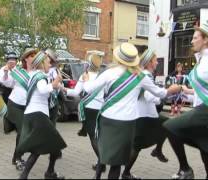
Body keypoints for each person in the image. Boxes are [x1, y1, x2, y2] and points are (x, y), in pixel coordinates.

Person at [82, 43, 181, 179]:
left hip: (107, 120)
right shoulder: (140, 76)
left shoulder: (109, 72)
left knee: (105, 154)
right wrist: (172, 90)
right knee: (116, 163)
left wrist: (86, 80)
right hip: (126, 124)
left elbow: (87, 89)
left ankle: (97, 176)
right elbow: (160, 93)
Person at [163, 23, 208, 179]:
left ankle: (185, 169)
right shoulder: (201, 60)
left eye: (195, 38)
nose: (192, 41)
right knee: (205, 156)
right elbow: (200, 92)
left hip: (205, 111)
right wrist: (184, 91)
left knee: (170, 126)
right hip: (200, 108)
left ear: (205, 40)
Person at [17, 51, 67, 179]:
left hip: (32, 114)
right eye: (47, 61)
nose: (50, 64)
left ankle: (49, 172)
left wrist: (56, 85)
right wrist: (55, 83)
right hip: (38, 115)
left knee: (54, 145)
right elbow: (43, 90)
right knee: (43, 147)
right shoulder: (39, 75)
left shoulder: (33, 74)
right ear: (41, 63)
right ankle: (25, 176)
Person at [121, 49, 170, 179]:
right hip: (144, 115)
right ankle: (126, 173)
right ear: (149, 63)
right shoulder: (146, 75)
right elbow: (149, 96)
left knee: (167, 124)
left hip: (143, 114)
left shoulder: (140, 74)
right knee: (137, 146)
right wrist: (160, 98)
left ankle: (157, 150)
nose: (157, 62)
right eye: (155, 60)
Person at [62, 53, 106, 173]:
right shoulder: (103, 76)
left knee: (93, 137)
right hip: (101, 109)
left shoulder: (84, 76)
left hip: (90, 109)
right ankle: (100, 162)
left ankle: (102, 162)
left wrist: (63, 89)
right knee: (99, 136)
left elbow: (76, 92)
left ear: (88, 63)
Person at [0, 47, 37, 171]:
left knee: (23, 132)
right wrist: (5, 72)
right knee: (22, 131)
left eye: (34, 56)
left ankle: (16, 157)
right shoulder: (18, 71)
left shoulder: (38, 72)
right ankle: (18, 158)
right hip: (15, 104)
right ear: (25, 59)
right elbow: (7, 83)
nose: (33, 58)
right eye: (31, 56)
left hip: (28, 106)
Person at [45, 48, 60, 126]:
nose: (48, 59)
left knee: (52, 121)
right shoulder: (40, 69)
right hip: (44, 98)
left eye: (49, 57)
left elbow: (58, 83)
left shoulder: (54, 70)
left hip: (53, 97)